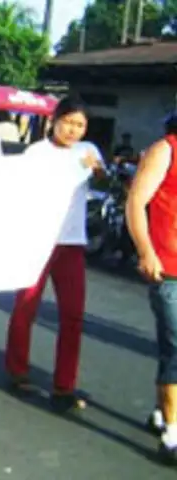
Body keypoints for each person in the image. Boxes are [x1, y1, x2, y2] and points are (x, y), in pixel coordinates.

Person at [4, 95, 103, 413]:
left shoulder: (88, 151)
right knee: (26, 308)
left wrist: (97, 169)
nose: (73, 130)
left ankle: (65, 386)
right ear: (54, 120)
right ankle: (18, 371)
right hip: (38, 241)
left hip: (72, 243)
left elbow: (105, 181)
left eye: (80, 125)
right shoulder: (36, 153)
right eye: (69, 122)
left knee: (72, 315)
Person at [126, 111, 177, 464]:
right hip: (169, 267)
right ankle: (173, 434)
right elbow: (135, 203)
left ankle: (162, 413)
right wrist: (146, 251)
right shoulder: (166, 150)